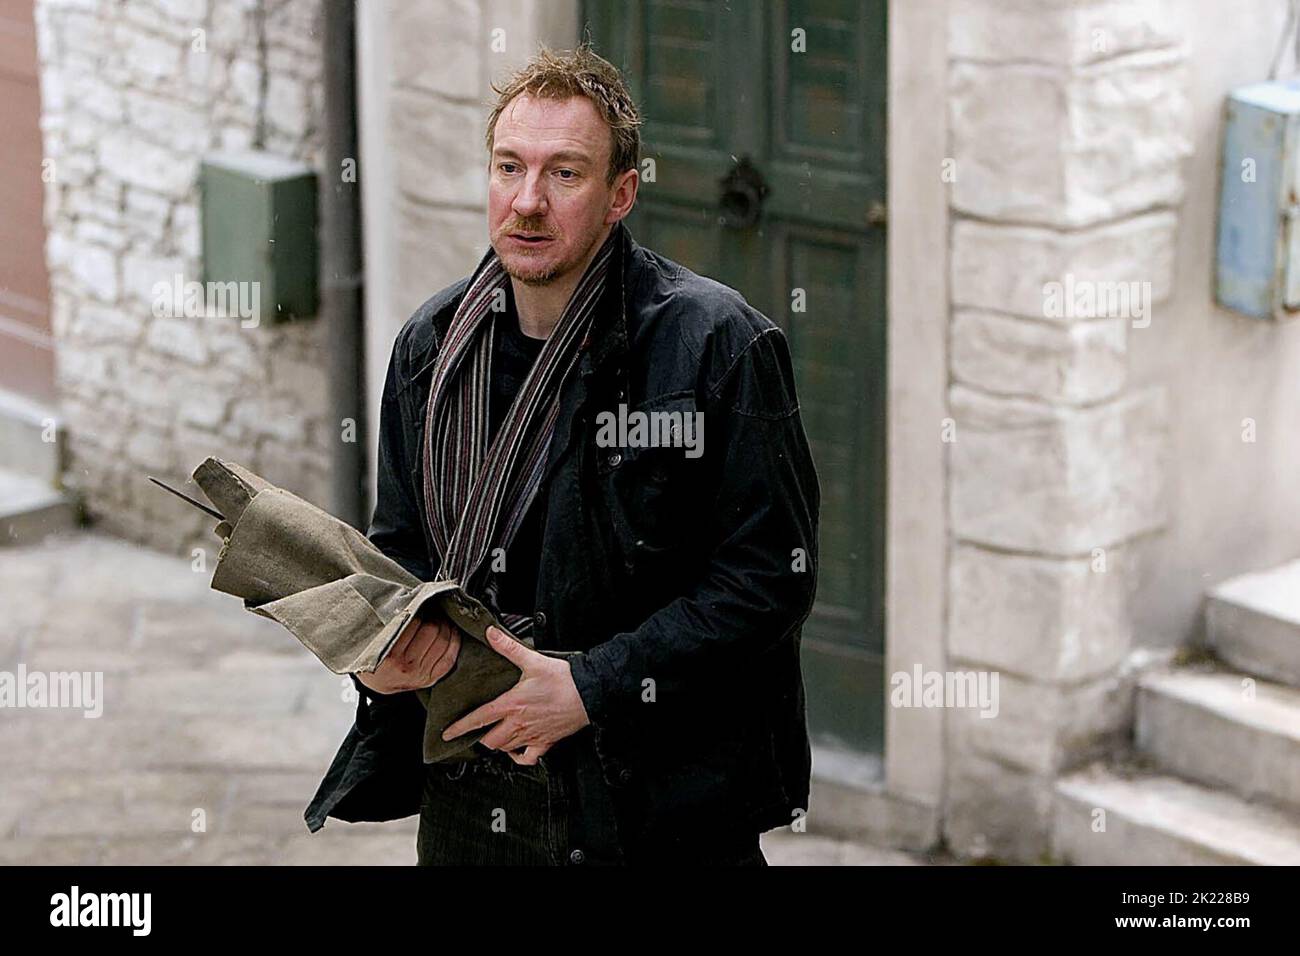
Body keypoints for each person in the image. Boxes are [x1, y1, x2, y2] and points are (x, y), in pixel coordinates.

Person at [304, 44, 821, 866]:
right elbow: (402, 552)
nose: (528, 202)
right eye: (509, 167)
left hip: (655, 807)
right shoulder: (430, 352)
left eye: (565, 174)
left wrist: (591, 687)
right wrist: (382, 653)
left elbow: (769, 578)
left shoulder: (717, 345)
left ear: (621, 193)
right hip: (474, 792)